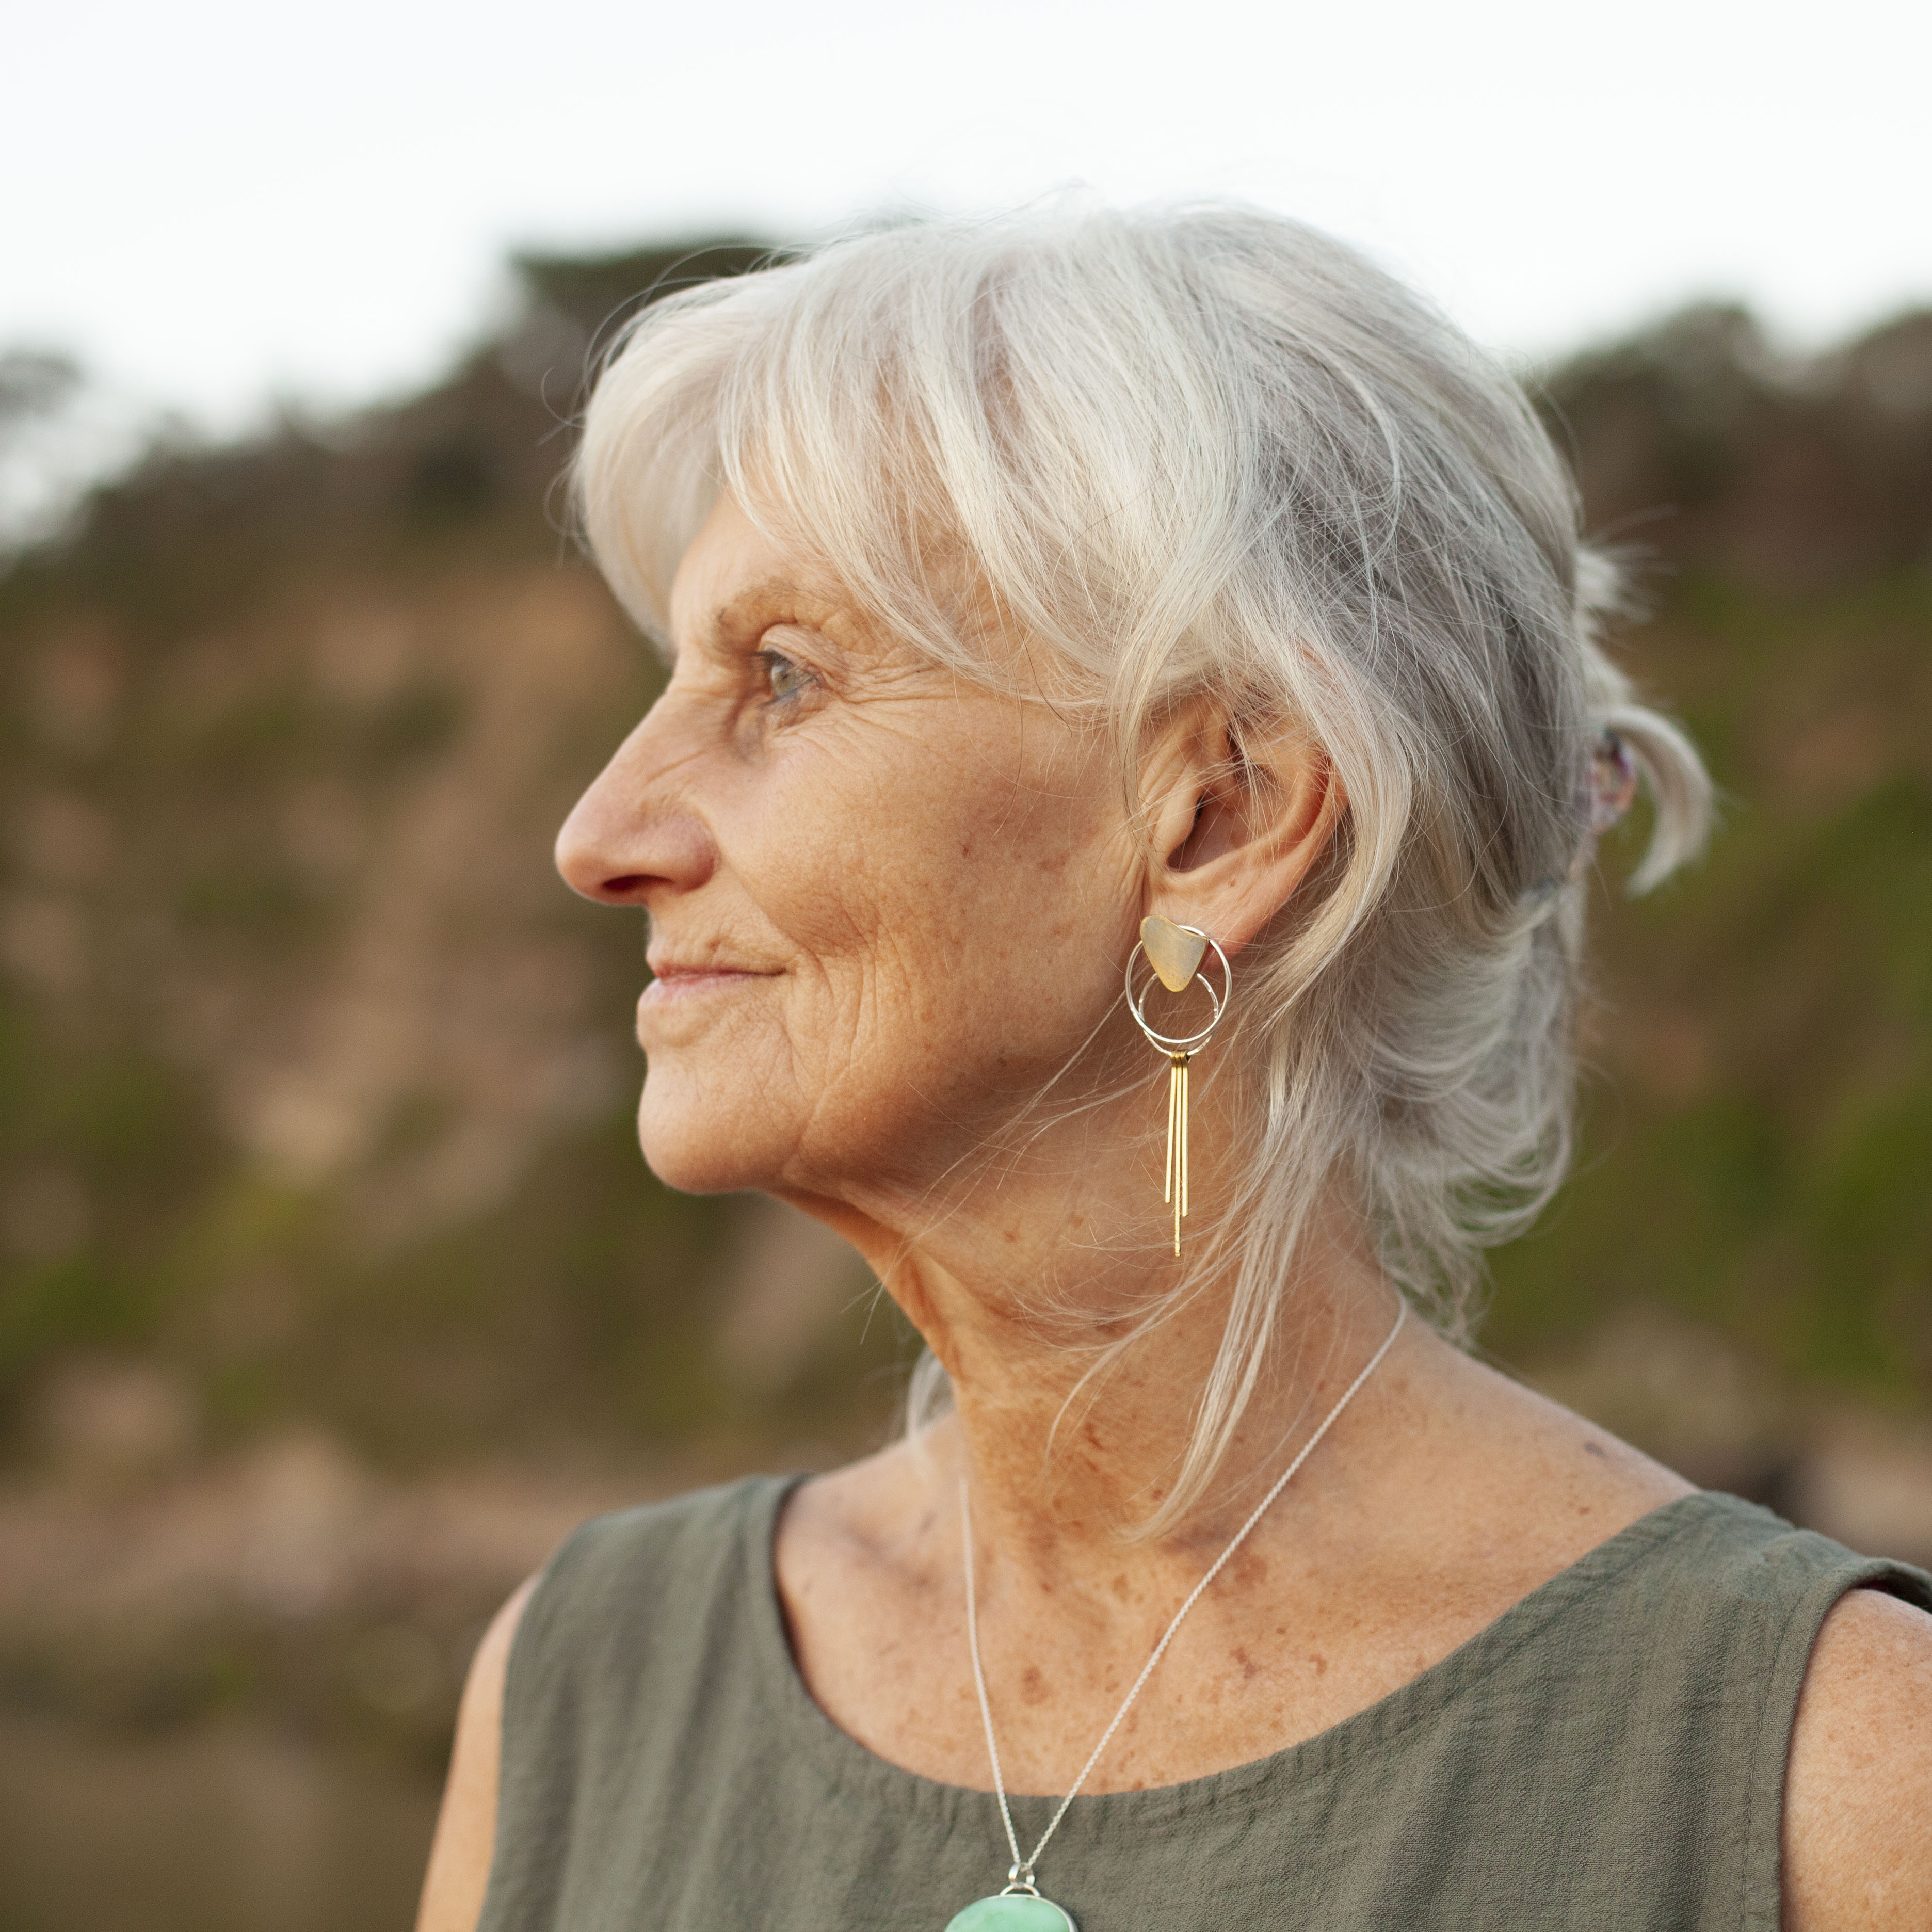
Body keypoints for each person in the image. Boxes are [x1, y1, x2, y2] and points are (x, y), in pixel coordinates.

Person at [415, 203, 1932, 1932]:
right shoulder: (580, 1692)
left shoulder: (1839, 1780)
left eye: (781, 674)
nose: (599, 835)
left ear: (1221, 814)